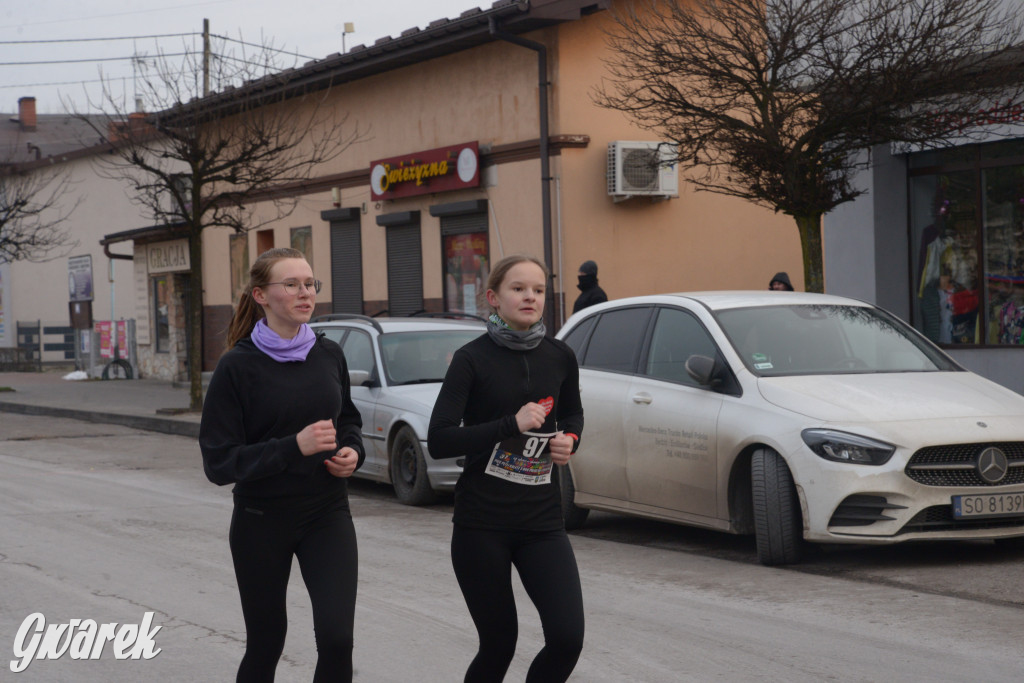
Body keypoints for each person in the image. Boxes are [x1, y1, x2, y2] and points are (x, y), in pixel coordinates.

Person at [199, 247, 364, 682]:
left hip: (326, 513)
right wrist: (295, 446)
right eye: (291, 284)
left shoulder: (329, 354)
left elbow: (347, 418)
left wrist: (353, 452)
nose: (305, 293)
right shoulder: (237, 367)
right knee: (267, 641)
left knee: (336, 639)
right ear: (261, 295)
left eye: (310, 284)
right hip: (260, 518)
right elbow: (218, 463)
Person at [428, 254, 586, 682]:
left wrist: (569, 440)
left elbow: (572, 415)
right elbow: (440, 438)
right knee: (499, 644)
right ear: (493, 298)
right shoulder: (470, 359)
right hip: (483, 525)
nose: (530, 296)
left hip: (542, 523)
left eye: (537, 289)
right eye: (518, 289)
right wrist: (508, 426)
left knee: (567, 638)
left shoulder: (560, 356)